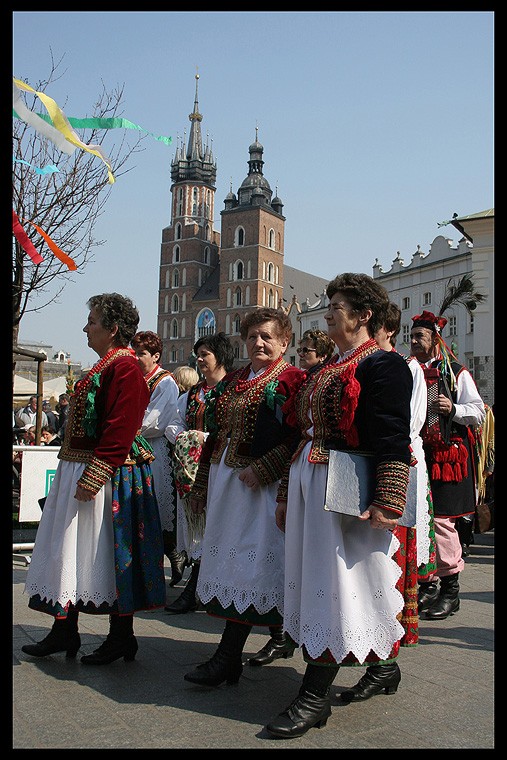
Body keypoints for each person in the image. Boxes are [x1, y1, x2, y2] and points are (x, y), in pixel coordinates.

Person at [264, 273, 413, 739]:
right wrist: (289, 492)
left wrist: (388, 499)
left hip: (346, 490)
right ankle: (384, 668)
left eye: (337, 307)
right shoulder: (330, 367)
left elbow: (392, 437)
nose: (327, 313)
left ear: (363, 316)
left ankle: (314, 696)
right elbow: (301, 435)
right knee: (329, 582)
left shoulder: (382, 366)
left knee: (340, 583)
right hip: (314, 485)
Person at [22, 293, 165, 665]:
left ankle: (121, 637)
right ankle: (64, 630)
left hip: (111, 474)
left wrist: (96, 473)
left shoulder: (126, 367)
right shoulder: (105, 366)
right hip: (80, 468)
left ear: (112, 329)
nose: (85, 327)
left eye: (92, 321)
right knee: (69, 550)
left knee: (109, 553)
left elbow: (122, 425)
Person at [182, 307, 302, 687]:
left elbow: (299, 436)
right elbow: (215, 433)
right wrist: (201, 484)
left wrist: (265, 468)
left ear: (286, 341)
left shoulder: (293, 380)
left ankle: (229, 655)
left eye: (267, 336)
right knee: (237, 567)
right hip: (226, 485)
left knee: (257, 567)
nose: (259, 343)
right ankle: (262, 642)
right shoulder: (233, 381)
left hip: (264, 490)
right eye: (252, 336)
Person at [410, 310, 485, 620]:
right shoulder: (409, 370)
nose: (413, 341)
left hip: (447, 457)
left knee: (441, 522)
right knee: (419, 520)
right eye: (411, 336)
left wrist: (452, 407)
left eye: (419, 337)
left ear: (434, 340)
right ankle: (427, 584)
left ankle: (451, 590)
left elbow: (478, 412)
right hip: (419, 455)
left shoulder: (456, 372)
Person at [165, 333, 235, 614]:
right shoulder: (193, 394)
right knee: (196, 527)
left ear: (220, 357)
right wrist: (186, 437)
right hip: (191, 473)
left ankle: (200, 588)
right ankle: (199, 586)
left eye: (205, 354)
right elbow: (173, 423)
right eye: (199, 354)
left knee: (216, 528)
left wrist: (205, 439)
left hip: (220, 470)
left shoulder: (232, 390)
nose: (200, 359)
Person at [131, 331, 186, 588]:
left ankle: (173, 554)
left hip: (155, 451)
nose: (136, 357)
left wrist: (127, 426)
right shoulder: (135, 378)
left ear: (156, 356)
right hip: (134, 448)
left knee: (157, 508)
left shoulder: (165, 382)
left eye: (141, 353)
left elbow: (155, 421)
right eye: (135, 351)